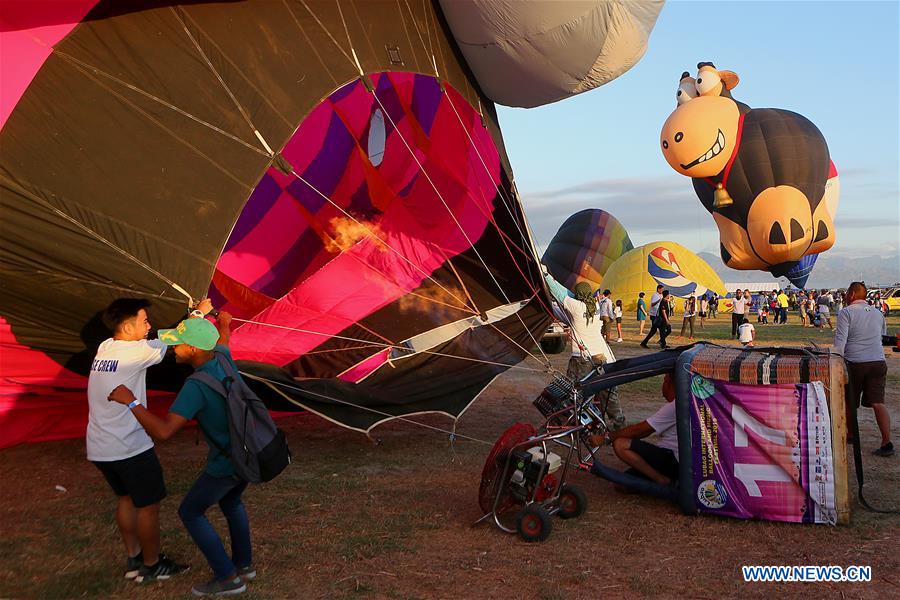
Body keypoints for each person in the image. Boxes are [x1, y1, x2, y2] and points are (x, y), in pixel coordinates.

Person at [108, 312, 255, 596]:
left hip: (226, 462)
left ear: (194, 349)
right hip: (246, 453)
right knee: (232, 502)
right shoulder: (222, 357)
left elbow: (164, 432)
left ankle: (228, 578)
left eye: (178, 343)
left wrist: (131, 401)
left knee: (190, 511)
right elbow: (223, 337)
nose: (173, 348)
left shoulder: (196, 386)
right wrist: (224, 321)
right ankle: (244, 564)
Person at [87, 298, 191, 583]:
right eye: (145, 321)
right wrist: (199, 314)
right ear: (128, 326)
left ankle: (134, 558)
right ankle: (152, 564)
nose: (150, 327)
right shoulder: (138, 351)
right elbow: (179, 338)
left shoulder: (106, 347)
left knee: (126, 498)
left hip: (101, 446)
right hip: (129, 447)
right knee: (148, 506)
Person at [544, 274, 626, 430]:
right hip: (604, 358)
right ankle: (619, 425)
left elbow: (560, 293)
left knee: (572, 392)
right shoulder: (594, 308)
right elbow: (563, 314)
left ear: (578, 295)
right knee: (607, 394)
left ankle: (565, 422)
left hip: (583, 359)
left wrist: (545, 275)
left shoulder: (576, 307)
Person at [833, 282, 892, 457]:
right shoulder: (878, 313)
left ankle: (851, 434)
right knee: (878, 403)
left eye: (846, 293)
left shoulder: (846, 312)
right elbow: (881, 336)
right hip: (878, 362)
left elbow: (840, 343)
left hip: (855, 363)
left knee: (850, 402)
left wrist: (835, 361)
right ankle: (886, 441)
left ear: (851, 294)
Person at [590, 374, 679, 489]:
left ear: (668, 384)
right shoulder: (684, 402)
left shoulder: (675, 406)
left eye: (664, 380)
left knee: (621, 444)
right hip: (675, 460)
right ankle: (659, 480)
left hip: (673, 460)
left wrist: (607, 438)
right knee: (622, 484)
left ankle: (662, 481)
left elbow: (641, 431)